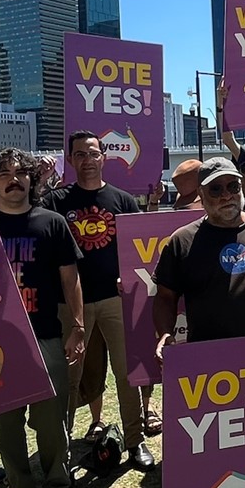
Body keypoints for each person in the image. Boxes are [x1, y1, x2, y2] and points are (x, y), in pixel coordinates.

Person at [0, 148, 88, 488]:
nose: (14, 179)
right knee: (6, 424)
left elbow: (70, 277)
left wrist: (77, 325)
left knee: (52, 419)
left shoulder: (53, 222)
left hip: (45, 334)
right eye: (4, 174)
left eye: (21, 173)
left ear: (33, 179)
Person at [47, 132, 152, 470]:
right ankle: (60, 447)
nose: (88, 160)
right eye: (80, 154)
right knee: (69, 377)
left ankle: (135, 442)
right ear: (71, 160)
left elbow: (139, 249)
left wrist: (130, 274)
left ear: (103, 156)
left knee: (126, 374)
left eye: (93, 153)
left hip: (115, 300)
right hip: (71, 305)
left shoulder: (123, 201)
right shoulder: (55, 201)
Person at [152, 157, 245, 352]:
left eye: (233, 186)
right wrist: (166, 333)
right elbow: (165, 297)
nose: (226, 196)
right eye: (216, 189)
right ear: (201, 193)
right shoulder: (182, 240)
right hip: (206, 355)